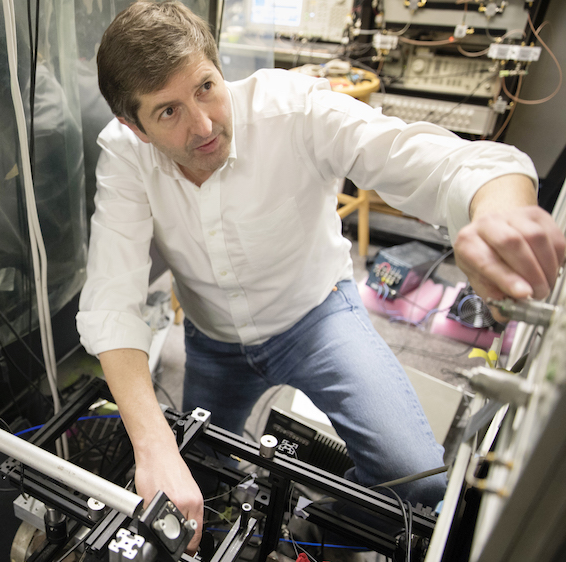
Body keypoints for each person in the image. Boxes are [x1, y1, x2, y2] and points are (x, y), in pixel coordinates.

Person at [75, 1, 565, 553]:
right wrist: (152, 445)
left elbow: (453, 164)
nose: (205, 124)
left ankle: (304, 526)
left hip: (317, 317)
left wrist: (499, 212)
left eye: (206, 87)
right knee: (196, 484)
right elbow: (111, 298)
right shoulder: (124, 157)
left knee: (419, 485)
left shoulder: (296, 110)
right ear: (132, 126)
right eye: (168, 112)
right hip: (214, 343)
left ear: (216, 66)